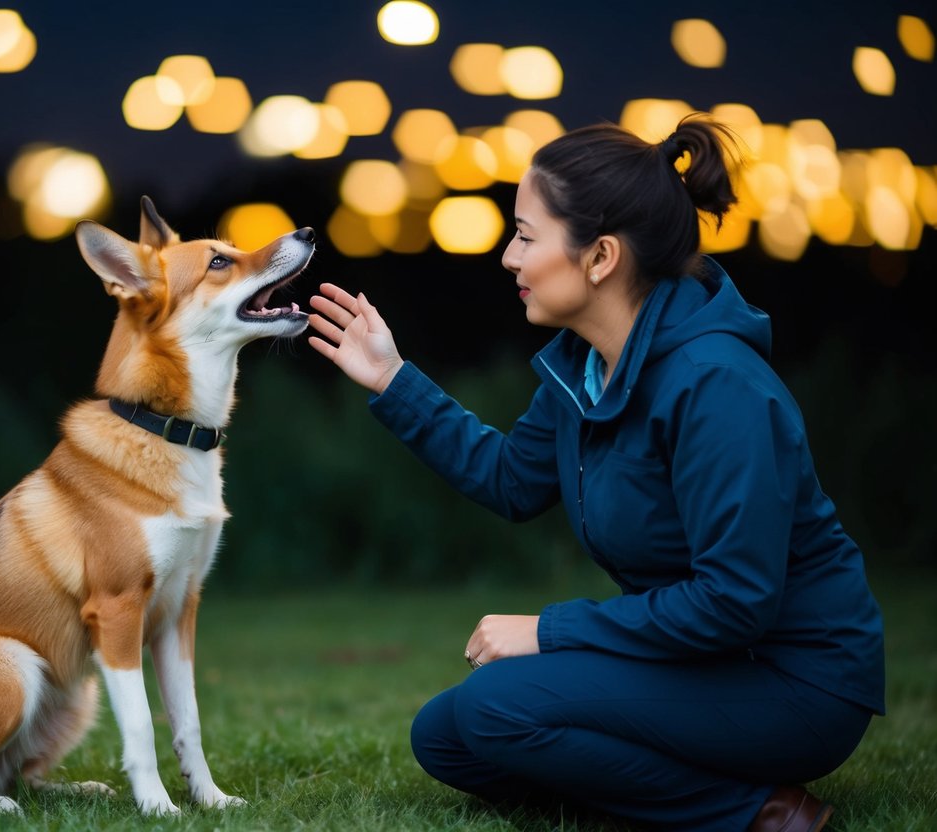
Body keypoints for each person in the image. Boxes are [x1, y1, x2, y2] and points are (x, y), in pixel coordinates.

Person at [306, 113, 885, 832]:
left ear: (600, 256)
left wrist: (549, 632)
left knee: (496, 708)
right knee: (447, 737)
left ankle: (756, 813)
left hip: (793, 682)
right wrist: (394, 380)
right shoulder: (584, 367)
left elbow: (735, 600)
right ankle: (677, 784)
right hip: (702, 661)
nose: (506, 258)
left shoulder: (717, 386)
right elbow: (513, 481)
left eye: (523, 235)